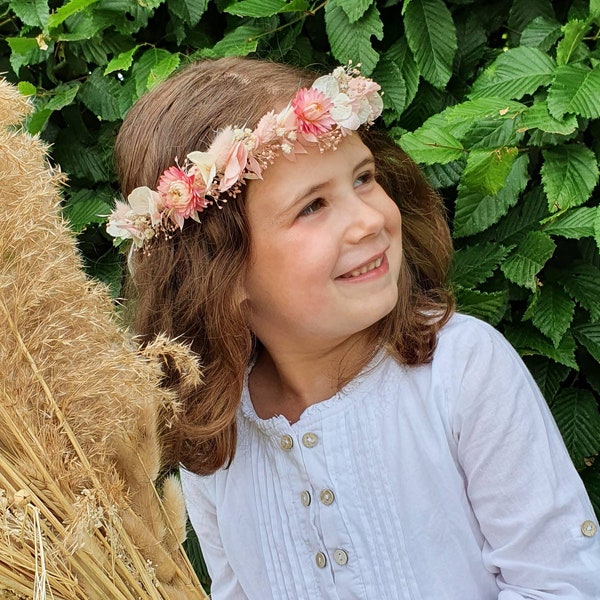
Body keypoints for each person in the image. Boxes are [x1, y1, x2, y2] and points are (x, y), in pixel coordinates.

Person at [108, 57, 600, 599]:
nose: (369, 219)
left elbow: (560, 582)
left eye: (363, 178)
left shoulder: (461, 370)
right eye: (313, 206)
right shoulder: (216, 437)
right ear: (219, 274)